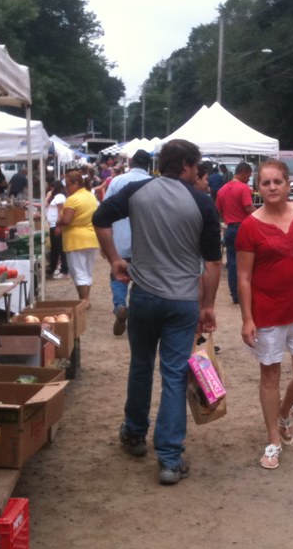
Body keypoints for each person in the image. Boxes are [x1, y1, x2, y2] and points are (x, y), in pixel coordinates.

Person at [93, 139, 221, 486]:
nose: (197, 172)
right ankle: (169, 459)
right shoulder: (202, 202)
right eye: (196, 167)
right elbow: (212, 263)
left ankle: (134, 433)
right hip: (182, 301)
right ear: (187, 165)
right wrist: (207, 305)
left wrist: (114, 259)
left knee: (141, 365)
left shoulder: (137, 191)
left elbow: (100, 218)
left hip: (144, 296)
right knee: (175, 375)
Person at [236, 159, 293, 469]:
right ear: (257, 188)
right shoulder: (249, 226)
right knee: (270, 375)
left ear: (288, 185)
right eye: (266, 183)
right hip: (267, 311)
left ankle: (284, 412)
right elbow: (243, 277)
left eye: (277, 181)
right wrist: (247, 319)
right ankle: (273, 439)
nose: (272, 187)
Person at [102, 150, 153, 336]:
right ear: (148, 165)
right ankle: (139, 315)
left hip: (120, 240)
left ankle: (120, 305)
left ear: (131, 163)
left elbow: (104, 212)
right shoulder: (154, 183)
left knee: (118, 275)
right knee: (142, 280)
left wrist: (104, 244)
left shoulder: (117, 181)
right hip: (146, 242)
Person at [58, 169, 99, 308]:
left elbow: (67, 220)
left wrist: (59, 221)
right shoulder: (90, 196)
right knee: (87, 272)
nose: (66, 188)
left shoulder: (72, 199)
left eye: (68, 185)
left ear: (76, 183)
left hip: (75, 240)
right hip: (91, 238)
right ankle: (86, 299)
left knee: (78, 272)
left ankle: (83, 300)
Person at [216, 162, 255, 304]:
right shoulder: (244, 188)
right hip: (243, 228)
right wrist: (263, 215)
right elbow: (248, 208)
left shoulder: (222, 190)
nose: (248, 179)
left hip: (230, 229)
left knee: (232, 262)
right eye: (248, 176)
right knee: (247, 262)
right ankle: (246, 292)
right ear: (243, 173)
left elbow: (218, 210)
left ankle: (235, 294)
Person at [45, 179, 69, 279]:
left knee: (60, 248)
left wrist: (59, 225)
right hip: (53, 225)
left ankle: (64, 270)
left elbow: (61, 211)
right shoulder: (57, 196)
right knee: (55, 248)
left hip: (56, 225)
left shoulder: (59, 197)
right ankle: (52, 268)